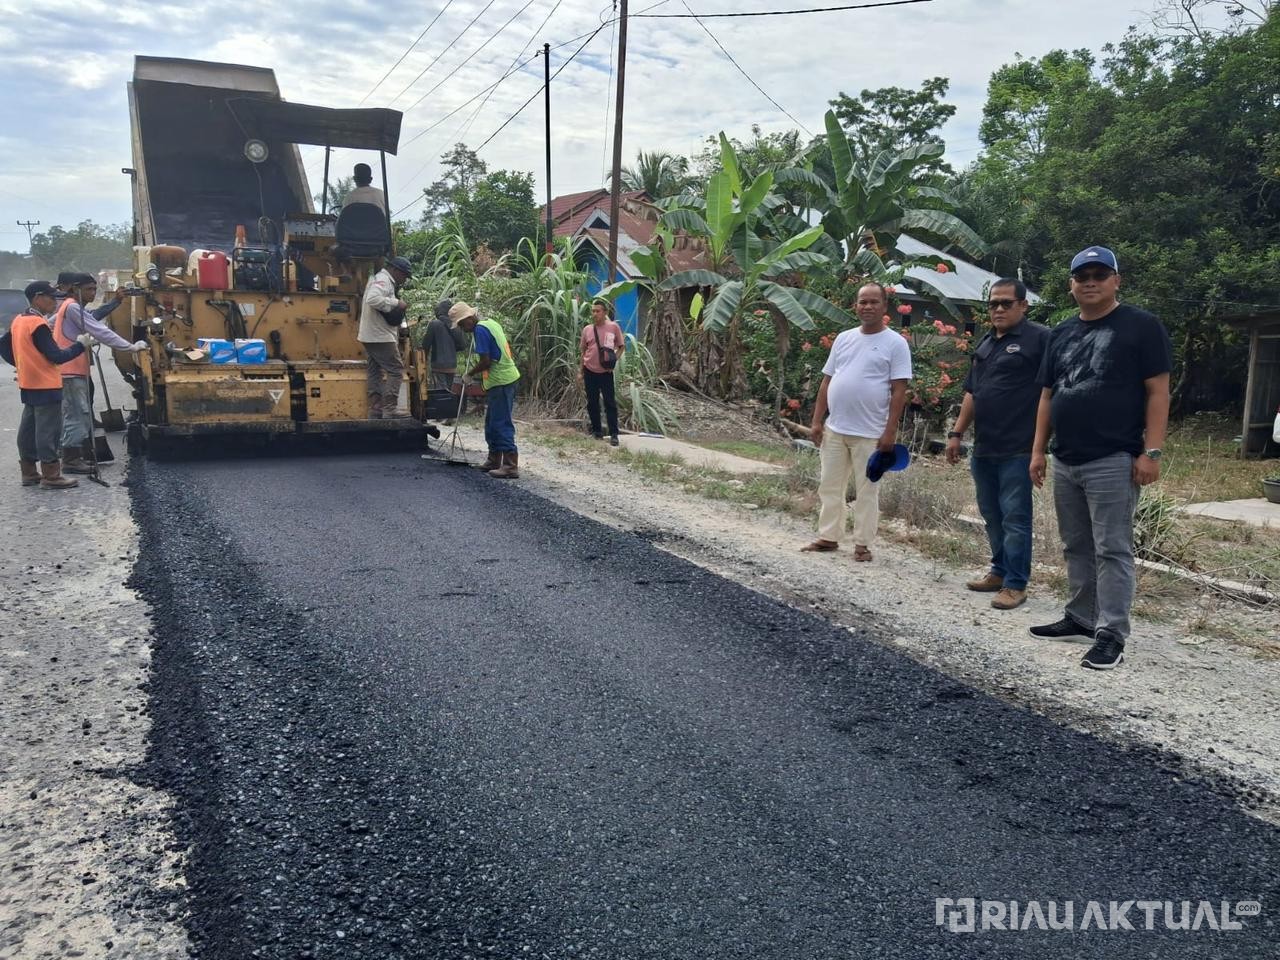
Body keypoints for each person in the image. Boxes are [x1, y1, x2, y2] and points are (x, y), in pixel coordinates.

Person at [1030, 246, 1172, 671]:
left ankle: (1111, 633)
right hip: (1065, 457)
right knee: (1076, 544)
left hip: (1113, 456)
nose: (1089, 281)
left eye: (1099, 273)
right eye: (1081, 275)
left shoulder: (1142, 326)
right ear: (1071, 284)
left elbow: (1158, 392)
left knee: (1112, 549)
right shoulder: (1060, 333)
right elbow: (1047, 395)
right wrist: (1038, 450)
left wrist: (1152, 451)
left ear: (1116, 280)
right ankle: (1080, 617)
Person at [946, 279, 1050, 611]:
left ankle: (1016, 583)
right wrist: (956, 433)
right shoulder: (987, 342)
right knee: (991, 514)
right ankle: (999, 570)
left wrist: (1041, 447)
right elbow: (972, 393)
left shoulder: (1040, 339)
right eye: (994, 304)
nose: (999, 309)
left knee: (1015, 517)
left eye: (1007, 303)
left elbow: (1052, 393)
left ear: (1023, 305)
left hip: (1019, 447)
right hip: (984, 446)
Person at [801, 283, 912, 560]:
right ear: (856, 306)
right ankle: (828, 537)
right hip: (835, 428)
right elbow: (827, 380)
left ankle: (862, 544)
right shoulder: (844, 338)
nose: (868, 306)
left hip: (870, 433)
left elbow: (899, 391)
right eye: (863, 302)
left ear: (885, 307)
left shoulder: (895, 344)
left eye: (874, 302)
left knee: (866, 490)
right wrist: (817, 421)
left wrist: (890, 432)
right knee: (830, 485)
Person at [0, 281, 92, 489]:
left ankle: (29, 472)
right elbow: (56, 356)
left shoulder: (19, 321)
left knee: (28, 429)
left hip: (29, 383)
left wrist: (23, 365)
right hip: (46, 385)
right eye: (51, 298)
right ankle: (51, 475)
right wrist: (80, 345)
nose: (55, 302)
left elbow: (3, 346)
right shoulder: (37, 324)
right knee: (48, 431)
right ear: (37, 297)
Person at [52, 272, 146, 473]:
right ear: (74, 289)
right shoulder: (72, 307)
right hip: (70, 371)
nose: (92, 293)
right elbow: (100, 331)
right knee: (77, 414)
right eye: (88, 289)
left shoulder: (69, 307)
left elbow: (89, 322)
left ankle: (70, 454)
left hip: (72, 369)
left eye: (94, 289)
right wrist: (130, 347)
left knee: (76, 413)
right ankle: (70, 460)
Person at [451, 301, 521, 479]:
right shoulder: (491, 323)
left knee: (501, 422)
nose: (461, 328)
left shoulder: (480, 330)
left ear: (468, 319)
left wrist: (469, 374)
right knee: (491, 422)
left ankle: (510, 465)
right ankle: (494, 459)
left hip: (502, 380)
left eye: (460, 324)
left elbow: (486, 362)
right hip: (502, 380)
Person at [357, 255, 412, 419]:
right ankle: (390, 409)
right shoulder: (383, 279)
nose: (404, 279)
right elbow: (373, 299)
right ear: (395, 270)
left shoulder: (377, 279)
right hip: (379, 335)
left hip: (369, 334)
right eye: (403, 275)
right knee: (396, 370)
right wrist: (397, 303)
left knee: (374, 370)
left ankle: (375, 407)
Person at [578, 299, 626, 445]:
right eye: (593, 311)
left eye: (598, 311)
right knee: (592, 403)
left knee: (609, 402)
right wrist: (580, 372)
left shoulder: (613, 327)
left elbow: (621, 346)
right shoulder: (587, 329)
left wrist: (613, 362)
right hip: (589, 371)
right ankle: (597, 432)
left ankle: (614, 434)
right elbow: (583, 351)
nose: (595, 314)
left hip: (606, 372)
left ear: (604, 313)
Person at [424, 298, 469, 393]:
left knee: (441, 393)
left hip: (438, 365)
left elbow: (426, 345)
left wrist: (423, 361)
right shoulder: (455, 325)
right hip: (452, 365)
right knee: (448, 391)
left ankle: (442, 408)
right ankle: (449, 407)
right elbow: (462, 344)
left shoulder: (434, 324)